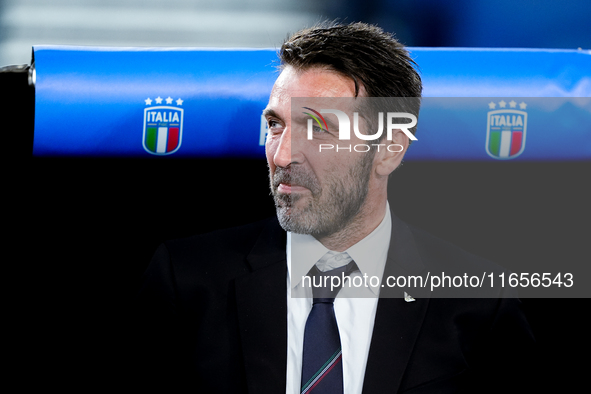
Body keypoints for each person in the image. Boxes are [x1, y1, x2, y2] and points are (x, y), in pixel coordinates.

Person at [134, 21, 536, 393]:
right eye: (276, 125)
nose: (282, 154)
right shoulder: (185, 280)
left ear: (389, 150)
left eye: (317, 127)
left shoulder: (479, 301)